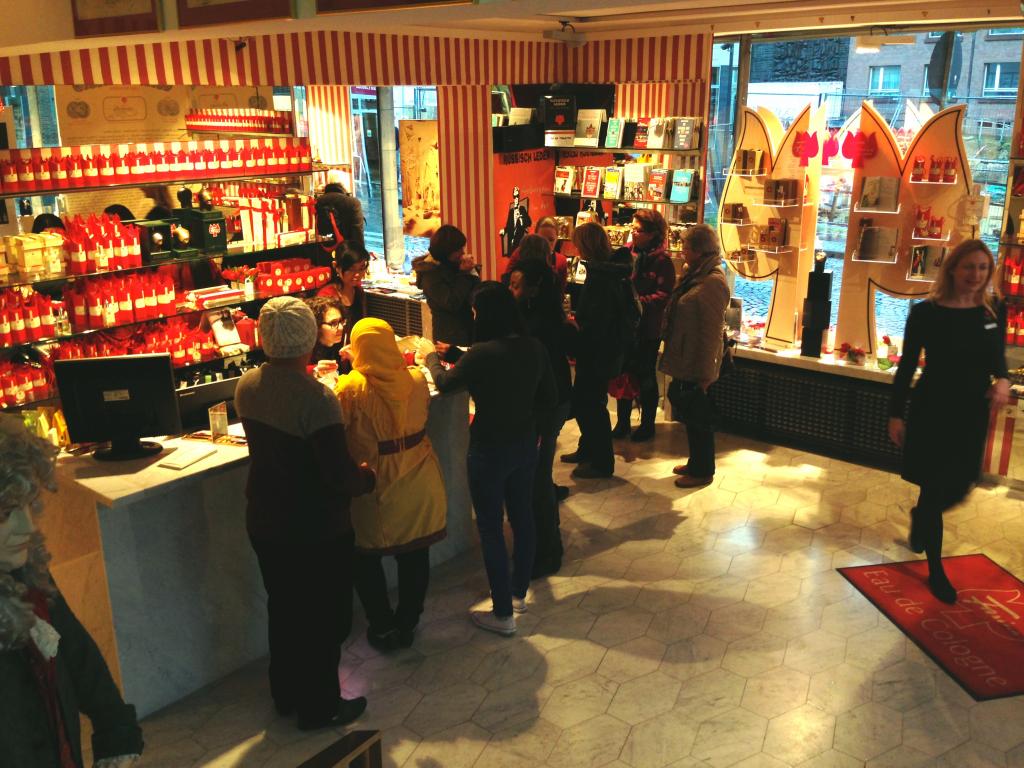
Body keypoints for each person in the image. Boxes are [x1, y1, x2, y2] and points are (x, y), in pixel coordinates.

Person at [234, 297, 376, 730]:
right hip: (315, 527)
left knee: (285, 610)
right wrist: (366, 478)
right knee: (324, 619)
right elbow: (337, 475)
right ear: (310, 338)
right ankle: (321, 707)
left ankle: (287, 693)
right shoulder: (317, 399)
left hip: (265, 519)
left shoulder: (247, 386)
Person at [0, 415, 144, 767]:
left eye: (28, 503)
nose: (27, 525)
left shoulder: (24, 569)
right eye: (5, 513)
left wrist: (115, 728)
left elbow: (75, 648)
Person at [417, 282, 557, 636]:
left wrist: (430, 357)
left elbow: (445, 383)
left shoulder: (481, 354)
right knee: (522, 517)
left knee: (491, 529)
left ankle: (502, 614)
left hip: (489, 448)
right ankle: (518, 593)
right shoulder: (533, 347)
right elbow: (549, 397)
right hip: (525, 444)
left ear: (485, 315)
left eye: (476, 311)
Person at [888, 239, 1009, 604]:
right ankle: (936, 571)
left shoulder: (992, 310)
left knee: (963, 484)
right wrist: (895, 414)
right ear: (953, 269)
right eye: (969, 266)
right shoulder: (926, 312)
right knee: (935, 486)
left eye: (983, 268)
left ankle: (921, 516)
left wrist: (1003, 381)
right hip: (933, 410)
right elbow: (907, 367)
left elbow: (997, 359)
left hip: (971, 412)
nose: (976, 275)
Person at [335, 318, 447, 651]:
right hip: (420, 475)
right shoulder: (416, 379)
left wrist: (350, 366)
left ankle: (382, 625)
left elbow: (337, 427)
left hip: (376, 481)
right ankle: (408, 621)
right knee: (415, 554)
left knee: (365, 558)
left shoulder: (350, 387)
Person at [510, 257, 575, 577]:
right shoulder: (547, 316)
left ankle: (547, 551)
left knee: (536, 480)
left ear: (534, 290)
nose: (511, 291)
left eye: (516, 286)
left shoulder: (537, 325)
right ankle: (547, 542)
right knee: (539, 476)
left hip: (545, 405)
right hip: (552, 401)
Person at [560, 222, 635, 479]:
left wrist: (578, 330)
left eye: (578, 244)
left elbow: (598, 320)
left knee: (590, 404)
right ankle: (589, 449)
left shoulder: (602, 276)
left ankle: (601, 462)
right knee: (591, 402)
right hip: (605, 349)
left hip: (597, 351)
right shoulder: (610, 271)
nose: (576, 249)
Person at [660, 224, 731, 489]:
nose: (683, 251)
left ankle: (703, 470)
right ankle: (696, 462)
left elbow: (712, 333)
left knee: (699, 416)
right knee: (690, 413)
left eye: (686, 247)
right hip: (687, 354)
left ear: (700, 251)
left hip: (698, 360)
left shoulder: (712, 281)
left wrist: (707, 373)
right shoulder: (697, 274)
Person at [613, 210, 677, 443]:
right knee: (623, 374)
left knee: (645, 375)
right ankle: (622, 423)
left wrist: (638, 302)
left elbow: (664, 295)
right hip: (625, 327)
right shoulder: (626, 254)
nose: (633, 232)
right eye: (632, 227)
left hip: (648, 329)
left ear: (652, 234)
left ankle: (647, 424)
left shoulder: (663, 261)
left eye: (638, 229)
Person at [412, 225, 480, 348]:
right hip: (448, 337)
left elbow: (475, 295)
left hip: (467, 330)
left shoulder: (453, 266)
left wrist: (472, 271)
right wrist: (465, 274)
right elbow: (451, 303)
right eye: (458, 249)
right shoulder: (430, 273)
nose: (462, 252)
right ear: (446, 251)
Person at [317, 243, 369, 346]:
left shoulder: (358, 291)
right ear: (336, 266)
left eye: (361, 268)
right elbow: (323, 339)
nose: (357, 274)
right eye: (351, 269)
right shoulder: (327, 296)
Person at [503, 219, 569, 292]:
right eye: (542, 239)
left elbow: (561, 290)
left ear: (557, 238)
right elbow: (507, 281)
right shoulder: (520, 252)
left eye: (551, 240)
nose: (546, 244)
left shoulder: (561, 260)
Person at [316, 186, 366, 253]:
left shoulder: (316, 202)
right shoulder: (353, 202)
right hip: (347, 253)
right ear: (343, 190)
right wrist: (362, 254)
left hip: (322, 250)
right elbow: (358, 232)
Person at [306, 295, 346, 370]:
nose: (341, 328)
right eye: (333, 323)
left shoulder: (343, 345)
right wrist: (314, 370)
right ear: (317, 325)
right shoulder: (306, 352)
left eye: (341, 321)